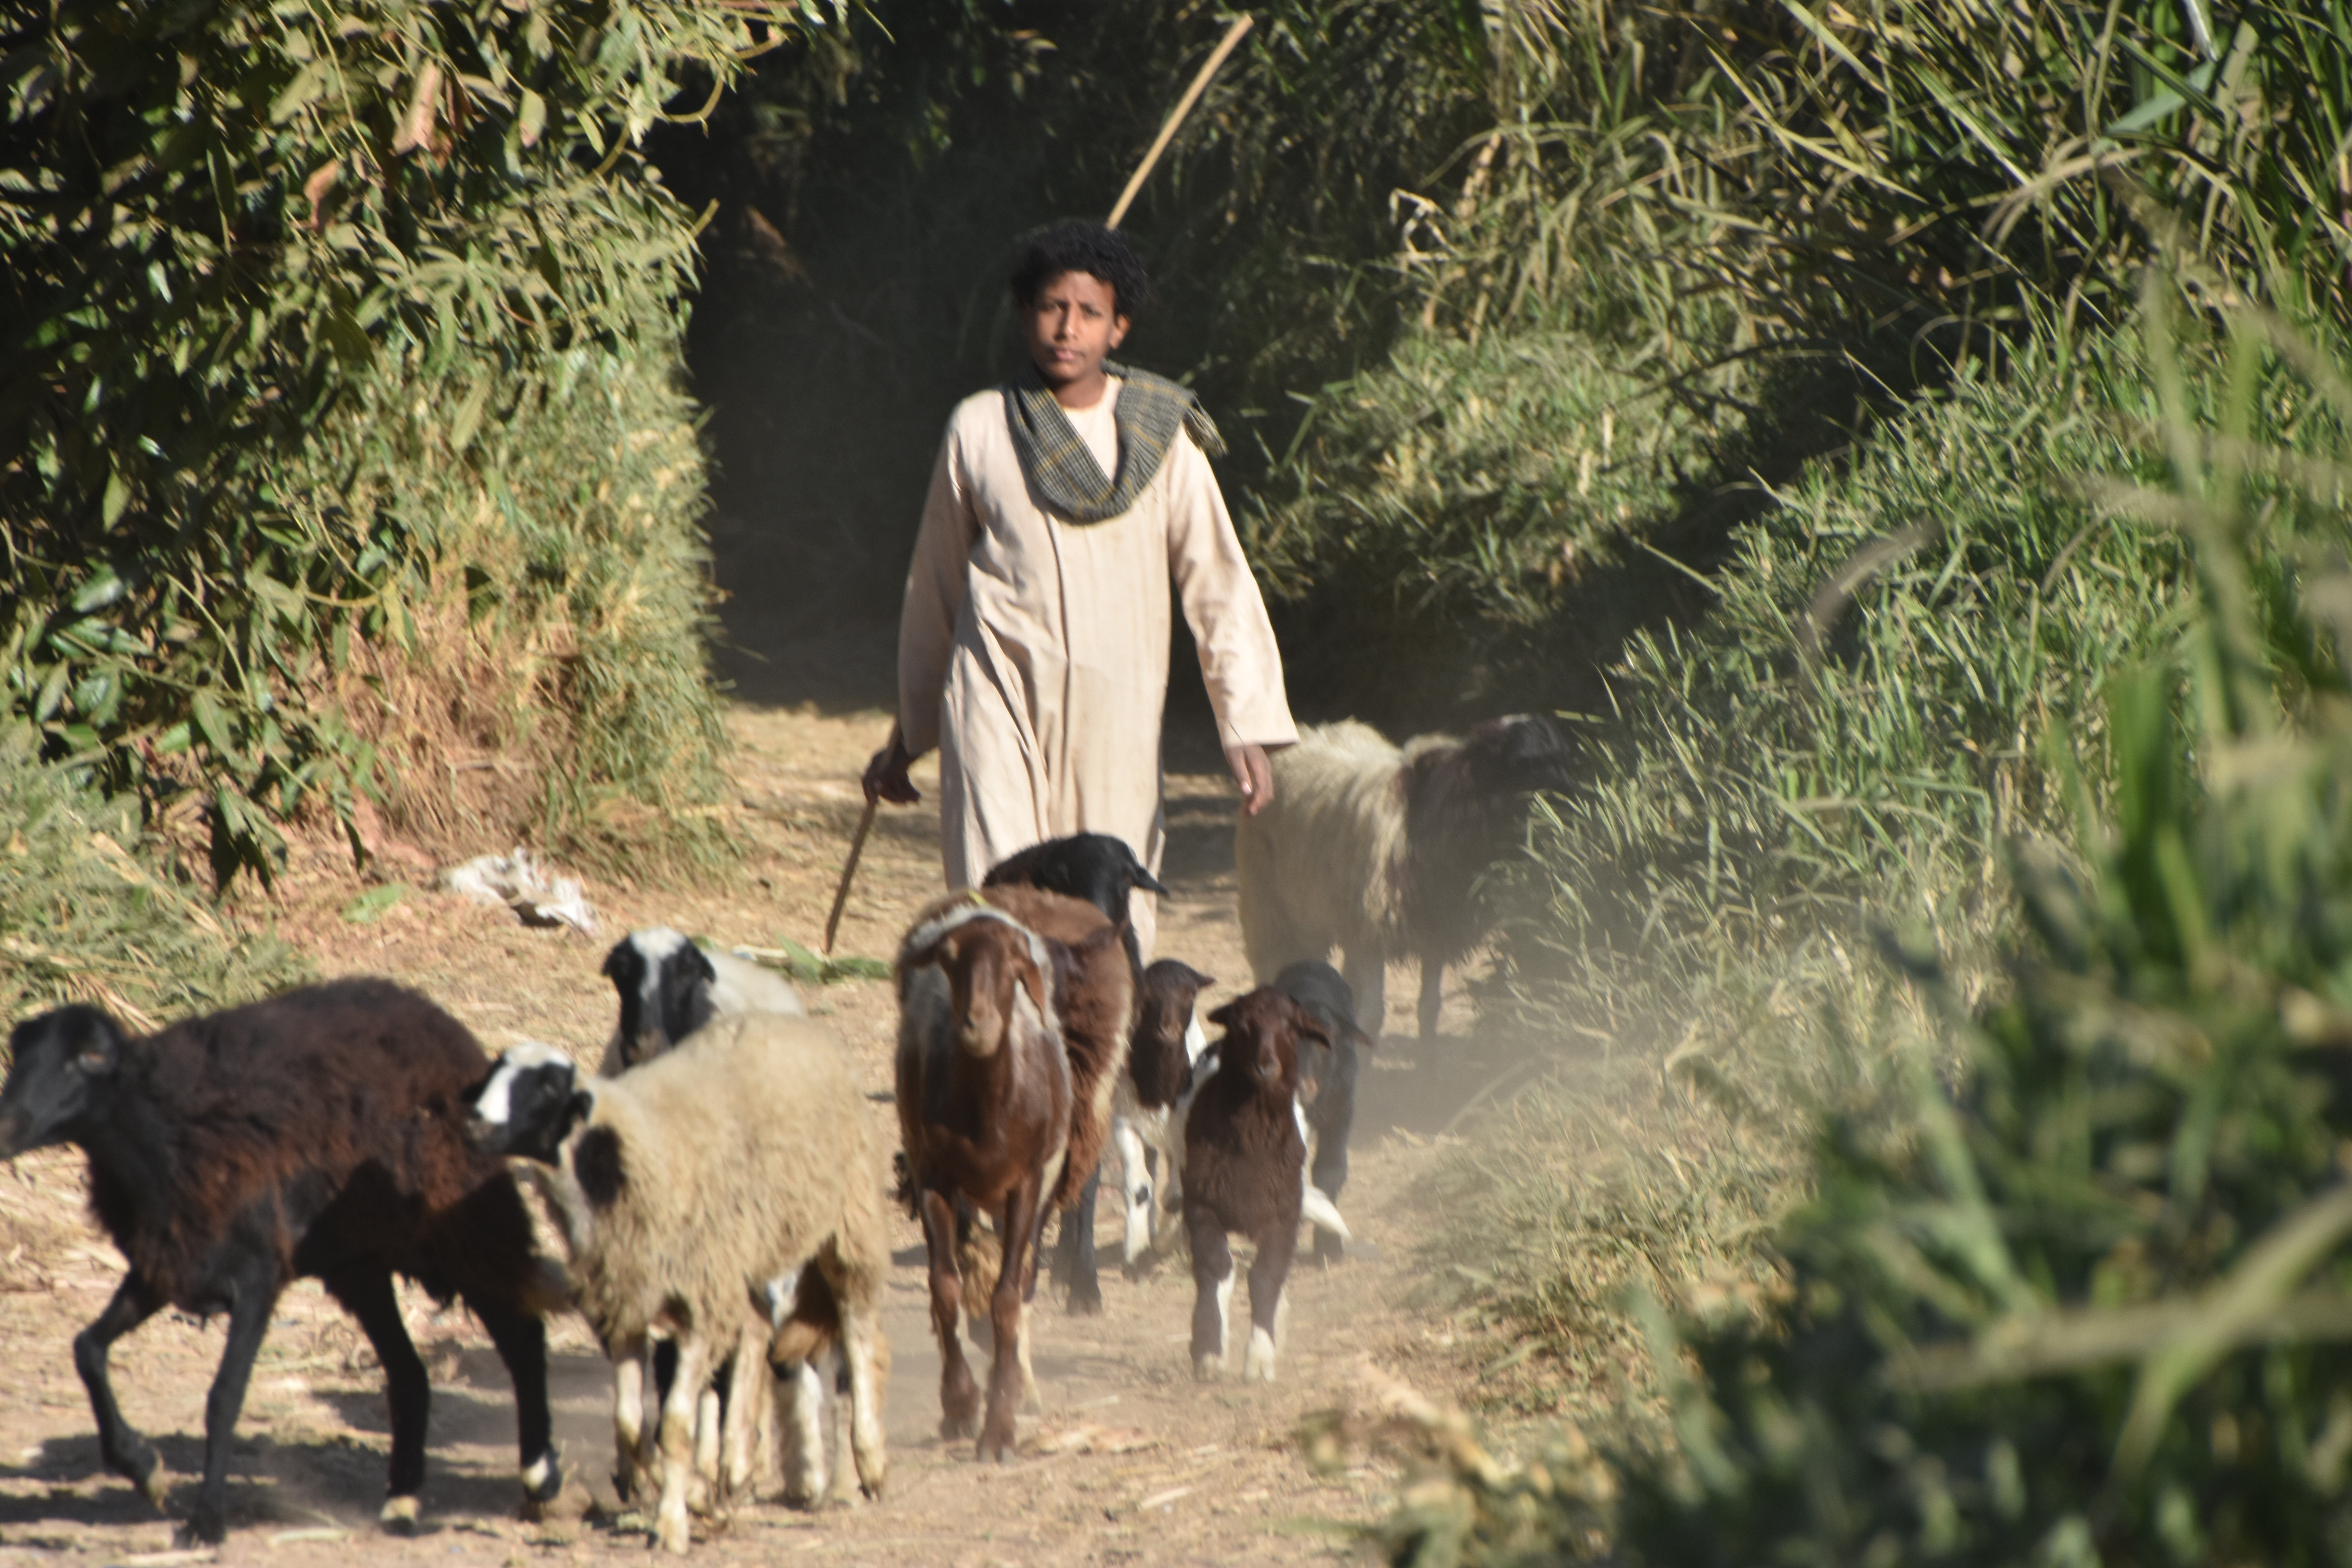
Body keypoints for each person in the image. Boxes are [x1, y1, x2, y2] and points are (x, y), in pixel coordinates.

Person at [864, 221, 1296, 960]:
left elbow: (1218, 582)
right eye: (1051, 307)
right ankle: (1005, 1065)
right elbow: (934, 583)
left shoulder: (1164, 440)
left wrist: (1244, 719)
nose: (1068, 328)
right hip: (997, 697)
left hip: (1117, 713)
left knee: (1107, 912)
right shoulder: (981, 426)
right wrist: (911, 728)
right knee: (994, 902)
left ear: (1119, 327)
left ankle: (1103, 1064)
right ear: (1025, 314)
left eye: (1090, 312)